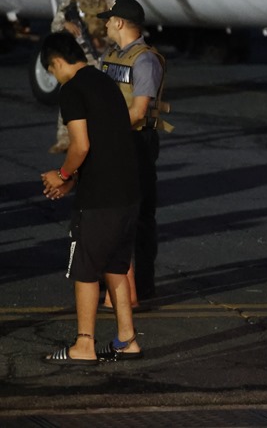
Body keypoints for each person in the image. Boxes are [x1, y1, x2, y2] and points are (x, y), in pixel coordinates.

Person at [38, 32, 143, 365]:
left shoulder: (72, 90)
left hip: (98, 199)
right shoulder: (103, 81)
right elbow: (107, 140)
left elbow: (81, 145)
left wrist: (63, 175)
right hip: (127, 192)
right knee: (114, 266)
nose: (55, 78)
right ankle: (127, 339)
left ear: (56, 62)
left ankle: (84, 344)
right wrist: (71, 180)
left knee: (84, 269)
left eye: (52, 71)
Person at [99, 0, 172, 305]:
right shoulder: (112, 55)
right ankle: (115, 287)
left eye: (108, 19)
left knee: (138, 216)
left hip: (135, 143)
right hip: (116, 141)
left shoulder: (144, 60)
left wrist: (105, 129)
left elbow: (139, 111)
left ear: (119, 23)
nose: (104, 24)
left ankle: (139, 288)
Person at [48, 0, 111, 154]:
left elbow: (120, 27)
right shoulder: (72, 1)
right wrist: (65, 25)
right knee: (69, 95)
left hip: (100, 55)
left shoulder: (108, 1)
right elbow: (55, 25)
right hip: (76, 56)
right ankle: (64, 139)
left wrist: (105, 41)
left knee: (100, 99)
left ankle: (98, 139)